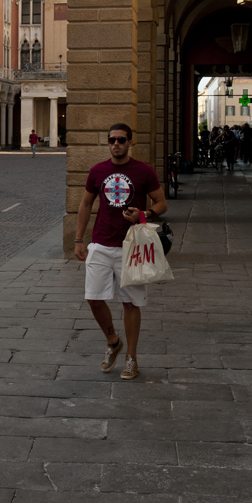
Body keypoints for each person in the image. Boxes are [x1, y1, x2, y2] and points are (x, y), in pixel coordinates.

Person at [74, 122, 167, 381]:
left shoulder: (144, 171)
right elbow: (85, 204)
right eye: (112, 139)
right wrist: (79, 239)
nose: (116, 144)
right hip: (101, 244)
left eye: (121, 139)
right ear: (108, 142)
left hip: (132, 246)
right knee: (93, 297)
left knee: (130, 303)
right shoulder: (97, 171)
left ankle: (131, 358)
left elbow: (162, 203)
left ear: (130, 142)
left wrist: (144, 214)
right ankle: (113, 341)